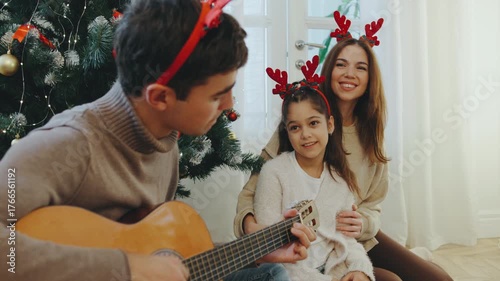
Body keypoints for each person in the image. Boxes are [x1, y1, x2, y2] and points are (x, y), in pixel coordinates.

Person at [0, 1, 315, 281]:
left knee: (271, 273)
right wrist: (124, 268)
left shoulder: (164, 140)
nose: (229, 105)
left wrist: (256, 250)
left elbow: (165, 254)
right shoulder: (66, 145)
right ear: (160, 97)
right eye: (217, 95)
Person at [233, 29, 453, 281]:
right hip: (305, 251)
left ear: (370, 78)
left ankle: (415, 256)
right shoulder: (303, 123)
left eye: (360, 67)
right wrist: (251, 228)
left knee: (439, 279)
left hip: (350, 241)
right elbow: (253, 190)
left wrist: (363, 223)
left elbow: (372, 204)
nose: (350, 74)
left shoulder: (371, 132)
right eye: (341, 65)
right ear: (329, 70)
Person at [253, 63, 375, 281]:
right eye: (295, 127)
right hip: (287, 274)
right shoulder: (274, 173)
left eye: (313, 123)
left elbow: (346, 240)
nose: (305, 134)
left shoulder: (339, 179)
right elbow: (272, 251)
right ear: (287, 132)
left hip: (331, 269)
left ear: (329, 124)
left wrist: (359, 270)